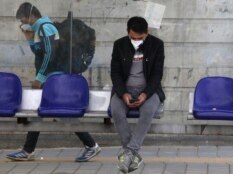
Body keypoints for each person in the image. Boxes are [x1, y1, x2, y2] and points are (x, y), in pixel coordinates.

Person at [6, 2, 101, 162]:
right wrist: (29, 39)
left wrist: (40, 78)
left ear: (30, 16)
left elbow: (50, 53)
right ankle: (28, 150)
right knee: (41, 111)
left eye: (22, 20)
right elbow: (40, 52)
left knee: (58, 113)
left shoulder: (44, 27)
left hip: (54, 77)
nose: (22, 23)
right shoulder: (38, 28)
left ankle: (91, 145)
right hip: (51, 76)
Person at [110, 16, 165, 173]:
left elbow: (157, 74)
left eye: (140, 38)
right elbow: (115, 73)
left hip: (149, 90)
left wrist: (145, 94)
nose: (136, 40)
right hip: (125, 89)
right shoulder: (119, 45)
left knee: (148, 111)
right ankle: (132, 155)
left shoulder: (157, 45)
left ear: (146, 33)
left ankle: (129, 152)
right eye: (133, 38)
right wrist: (123, 93)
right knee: (116, 111)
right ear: (128, 33)